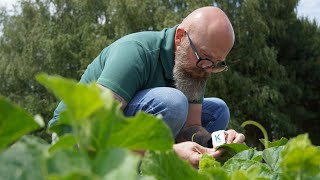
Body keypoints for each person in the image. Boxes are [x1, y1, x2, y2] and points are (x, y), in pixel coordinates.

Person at [49, 6, 245, 167]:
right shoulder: (135, 52)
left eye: (217, 63)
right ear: (180, 37)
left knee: (218, 110)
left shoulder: (198, 68)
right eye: (205, 58)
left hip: (124, 130)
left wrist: (217, 142)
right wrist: (168, 154)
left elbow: (190, 127)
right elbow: (92, 132)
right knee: (173, 103)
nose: (208, 70)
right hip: (74, 135)